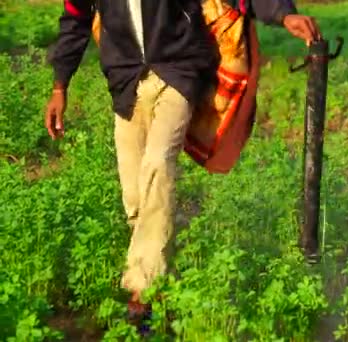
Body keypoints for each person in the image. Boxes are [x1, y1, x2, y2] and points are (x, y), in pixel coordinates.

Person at [44, 0, 322, 325]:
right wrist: (59, 86)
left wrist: (282, 13)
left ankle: (142, 296)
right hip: (125, 80)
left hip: (178, 70)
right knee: (135, 197)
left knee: (158, 164)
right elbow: (75, 21)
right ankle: (162, 283)